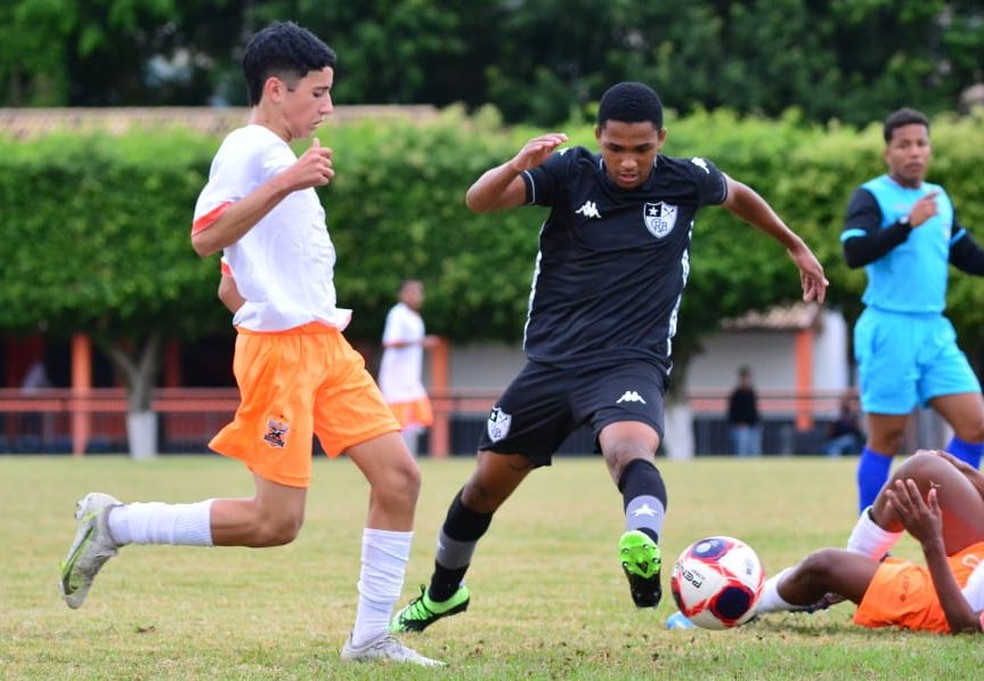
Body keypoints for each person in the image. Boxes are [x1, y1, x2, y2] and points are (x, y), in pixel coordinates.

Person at [57, 21, 441, 667]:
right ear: (275, 89)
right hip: (282, 354)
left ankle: (370, 637)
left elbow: (231, 269)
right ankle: (115, 522)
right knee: (274, 525)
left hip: (325, 344)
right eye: (318, 94)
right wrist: (285, 185)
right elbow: (205, 235)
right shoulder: (248, 147)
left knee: (400, 478)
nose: (328, 108)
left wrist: (250, 288)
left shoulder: (275, 154)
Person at [388, 81, 828, 634]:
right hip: (552, 365)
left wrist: (793, 243)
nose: (627, 161)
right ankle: (442, 593)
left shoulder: (685, 179)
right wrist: (515, 164)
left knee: (629, 450)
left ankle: (641, 542)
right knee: (481, 489)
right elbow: (479, 201)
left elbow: (738, 195)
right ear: (599, 138)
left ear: (660, 140)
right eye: (615, 148)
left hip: (630, 361)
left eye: (641, 150)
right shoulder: (569, 172)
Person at [842, 107, 984, 514]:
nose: (914, 152)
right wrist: (907, 222)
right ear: (888, 152)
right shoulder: (871, 196)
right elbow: (855, 251)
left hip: (934, 330)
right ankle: (867, 543)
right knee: (887, 439)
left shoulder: (939, 199)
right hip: (890, 327)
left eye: (921, 144)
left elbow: (967, 255)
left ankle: (954, 517)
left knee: (975, 425)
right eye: (903, 145)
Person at [755, 449, 984, 634]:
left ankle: (753, 601)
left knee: (823, 565)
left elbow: (967, 626)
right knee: (924, 468)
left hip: (954, 603)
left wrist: (931, 544)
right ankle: (858, 560)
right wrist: (964, 470)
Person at [378, 279, 437, 457]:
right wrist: (419, 342)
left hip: (411, 379)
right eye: (412, 292)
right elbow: (390, 341)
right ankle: (395, 458)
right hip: (396, 379)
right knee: (398, 422)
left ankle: (409, 458)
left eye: (419, 292)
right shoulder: (398, 314)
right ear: (403, 294)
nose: (417, 296)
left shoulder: (415, 317)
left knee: (415, 420)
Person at [727, 366, 762, 457]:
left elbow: (755, 410)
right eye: (745, 378)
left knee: (754, 452)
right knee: (741, 451)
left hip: (753, 427)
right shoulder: (736, 394)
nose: (746, 380)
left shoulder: (752, 393)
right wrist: (737, 423)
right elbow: (732, 411)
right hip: (740, 428)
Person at [822, 389, 864, 457]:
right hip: (836, 441)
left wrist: (853, 416)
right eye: (844, 401)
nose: (846, 403)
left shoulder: (856, 415)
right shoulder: (835, 414)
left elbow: (860, 432)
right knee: (835, 445)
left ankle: (834, 455)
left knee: (849, 440)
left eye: (848, 401)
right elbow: (829, 433)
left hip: (853, 441)